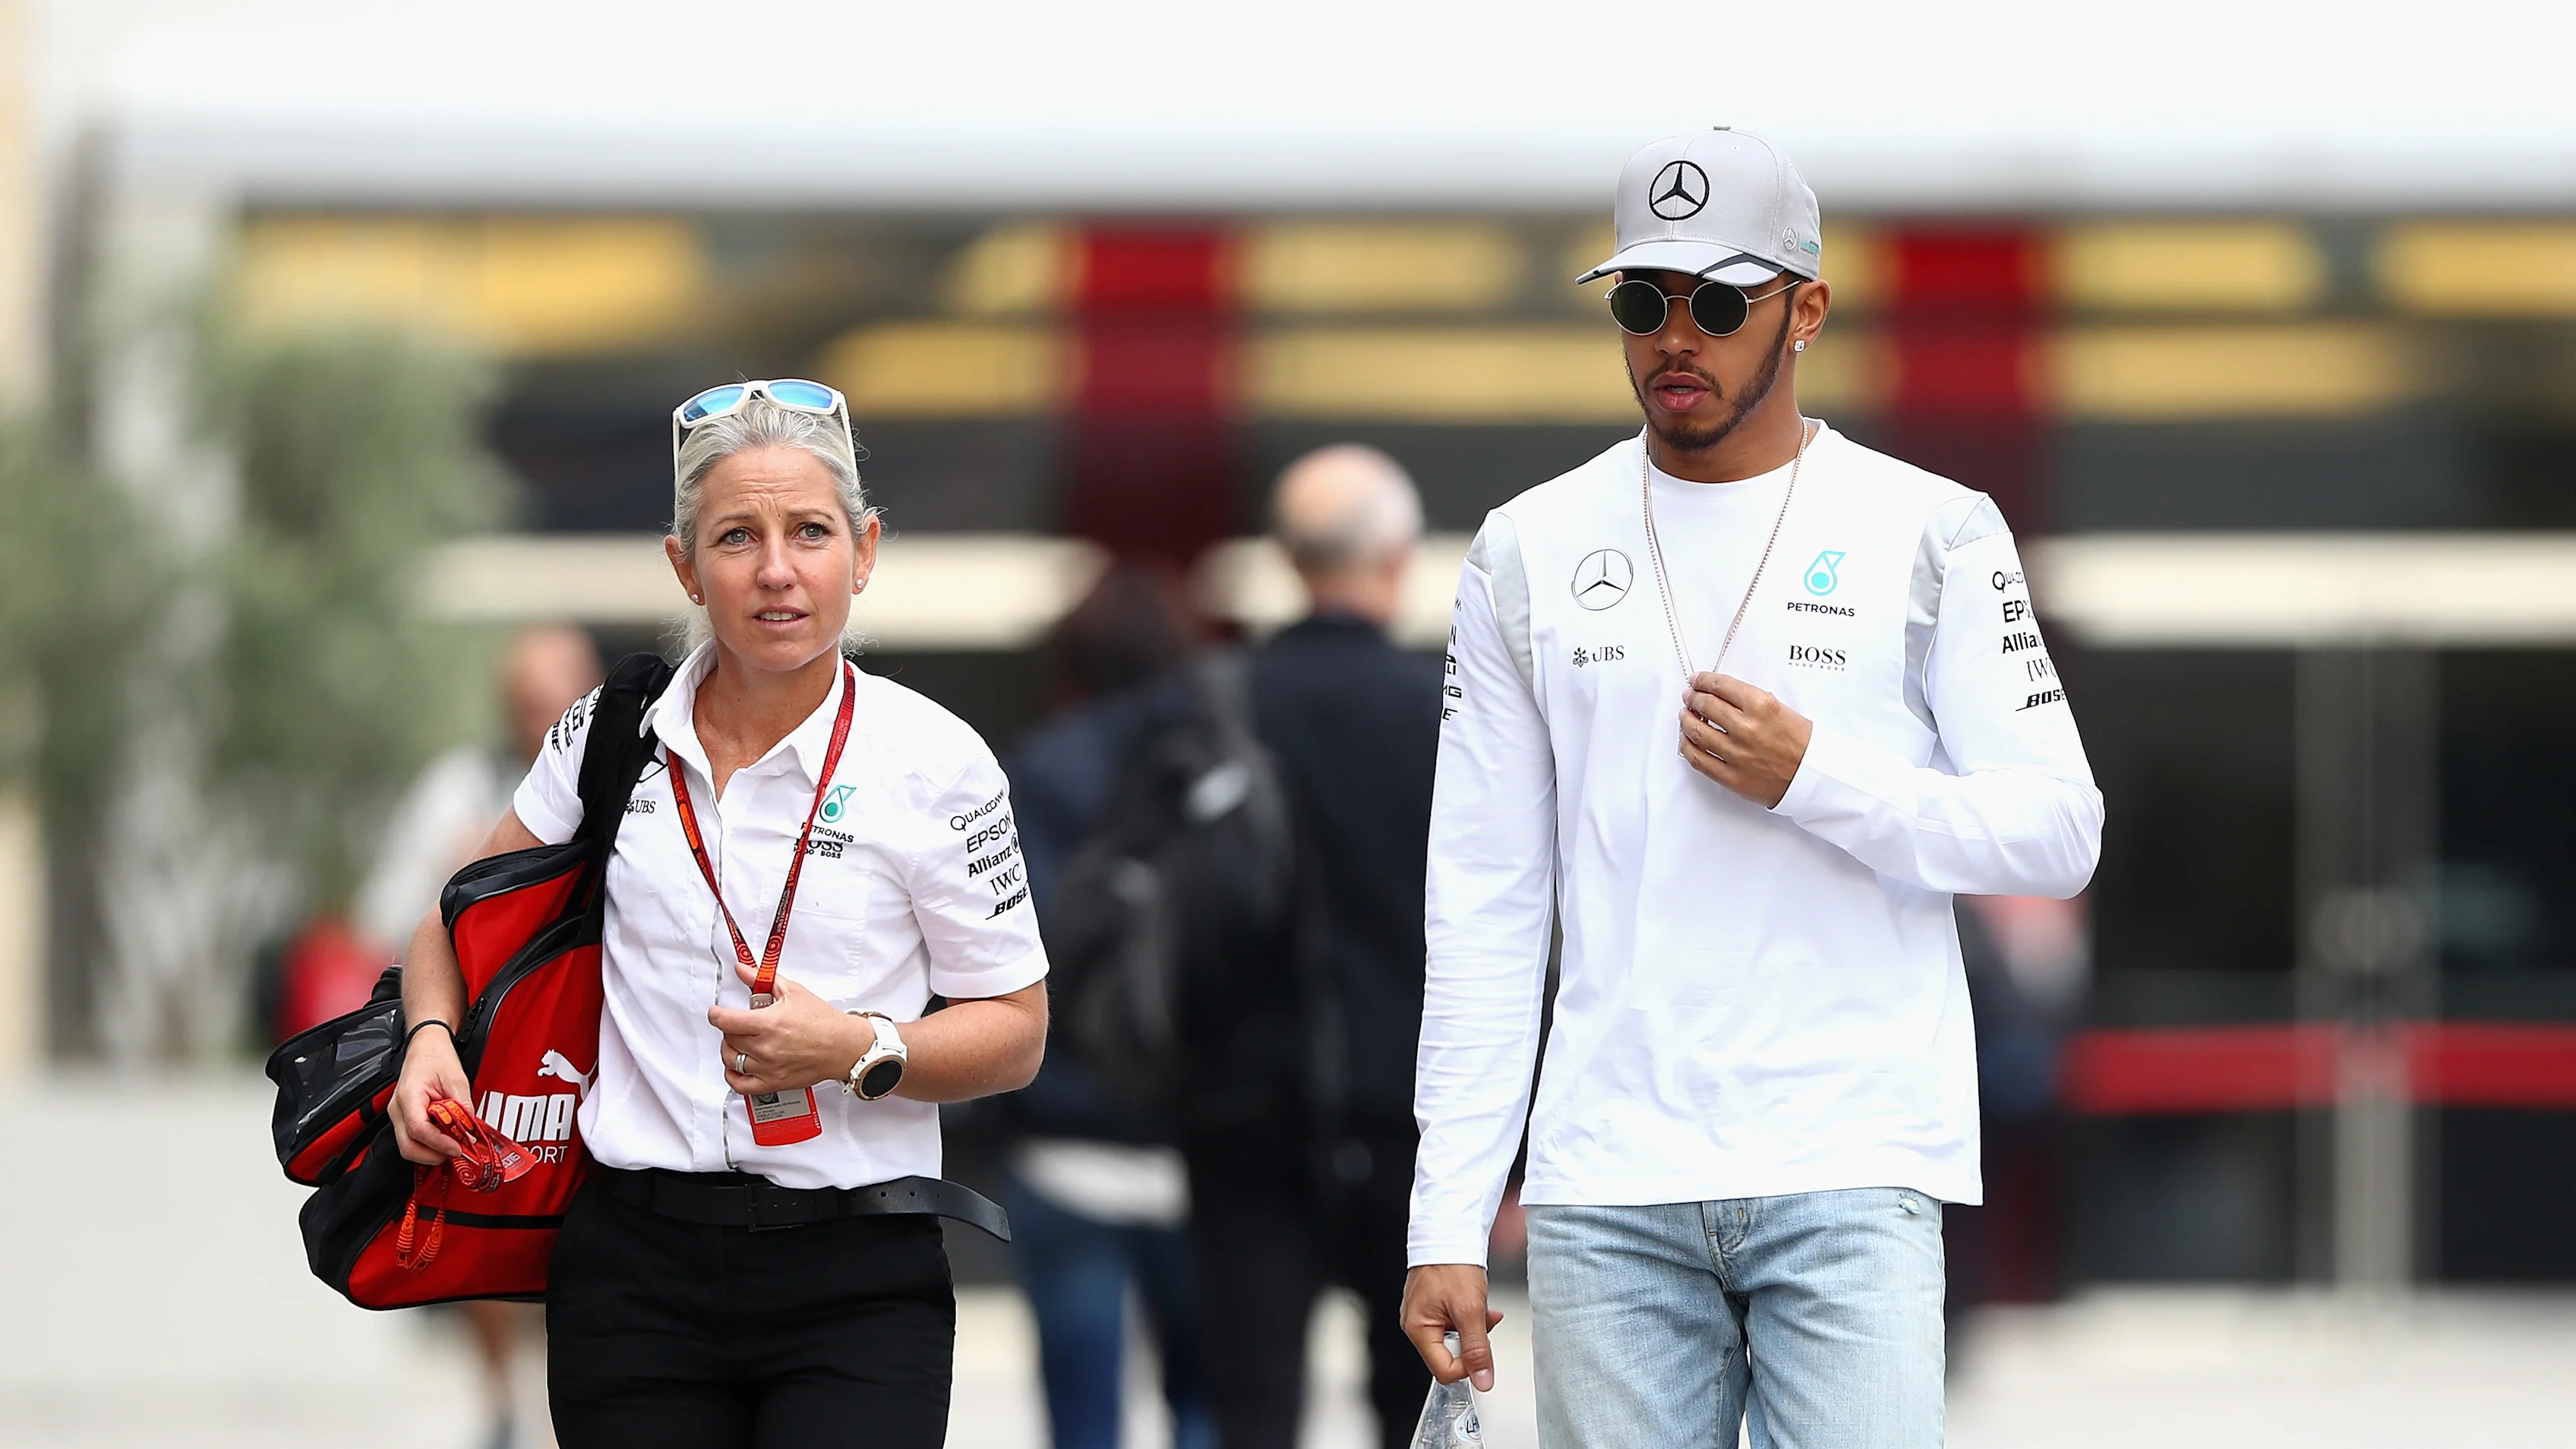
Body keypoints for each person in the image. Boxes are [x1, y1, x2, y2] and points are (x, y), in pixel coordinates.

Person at [1400, 129, 2105, 1447]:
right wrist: (1446, 1213)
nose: (1677, 335)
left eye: (1719, 302)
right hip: (1607, 1179)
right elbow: (1487, 899)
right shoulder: (1526, 548)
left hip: (1848, 1158)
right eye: (1641, 301)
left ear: (1806, 309)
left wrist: (1819, 779)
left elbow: (2058, 829)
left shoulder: (1932, 528)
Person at [388, 380, 1051, 1449]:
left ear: (865, 550)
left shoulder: (938, 763)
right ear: (684, 566)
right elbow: (447, 923)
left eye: (810, 532)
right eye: (737, 536)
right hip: (632, 1273)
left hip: (858, 1277)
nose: (777, 569)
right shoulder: (607, 734)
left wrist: (854, 1048)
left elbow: (1017, 1031)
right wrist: (429, 1042)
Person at [1186, 444, 1442, 1449]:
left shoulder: (1212, 703)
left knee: (1252, 1403)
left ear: (1288, 558)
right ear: (1397, 554)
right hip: (1412, 1115)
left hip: (1241, 1110)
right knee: (1417, 1397)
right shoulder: (1446, 715)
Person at [352, 623, 604, 1449]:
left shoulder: (627, 780)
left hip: (599, 1044)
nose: (539, 715)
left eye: (555, 696)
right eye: (525, 699)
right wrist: (466, 882)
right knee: (487, 1220)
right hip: (491, 1050)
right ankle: (503, 1400)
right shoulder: (462, 786)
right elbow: (393, 915)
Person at [996, 567, 1217, 1449]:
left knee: (1080, 1422)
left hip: (1064, 1146)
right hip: (1202, 1143)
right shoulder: (1224, 769)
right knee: (1207, 1410)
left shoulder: (1035, 770)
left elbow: (1001, 954)